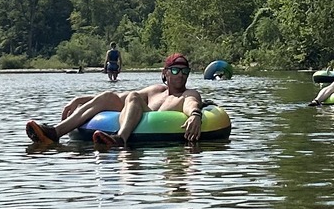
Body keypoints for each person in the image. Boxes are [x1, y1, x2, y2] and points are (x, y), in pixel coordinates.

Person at [27, 52, 207, 146]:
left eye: (185, 71)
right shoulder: (156, 91)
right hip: (140, 116)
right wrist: (79, 99)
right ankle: (54, 133)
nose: (180, 75)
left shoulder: (188, 94)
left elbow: (192, 103)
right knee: (110, 96)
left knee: (134, 96)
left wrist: (195, 115)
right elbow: (120, 98)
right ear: (165, 73)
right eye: (175, 70)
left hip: (159, 134)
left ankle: (120, 138)